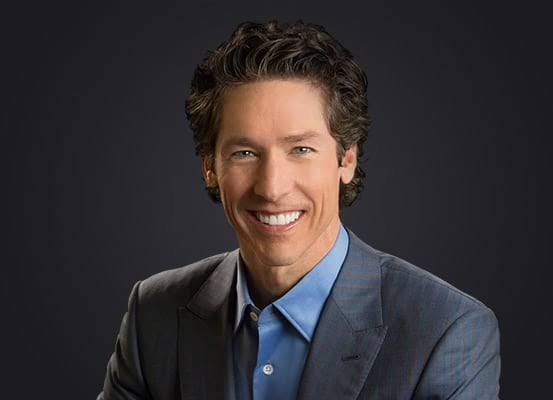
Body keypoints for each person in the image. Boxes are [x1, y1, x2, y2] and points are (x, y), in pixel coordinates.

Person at [98, 21, 501, 400]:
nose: (272, 188)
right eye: (244, 152)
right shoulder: (153, 313)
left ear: (346, 160)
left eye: (301, 149)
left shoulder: (447, 331)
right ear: (210, 168)